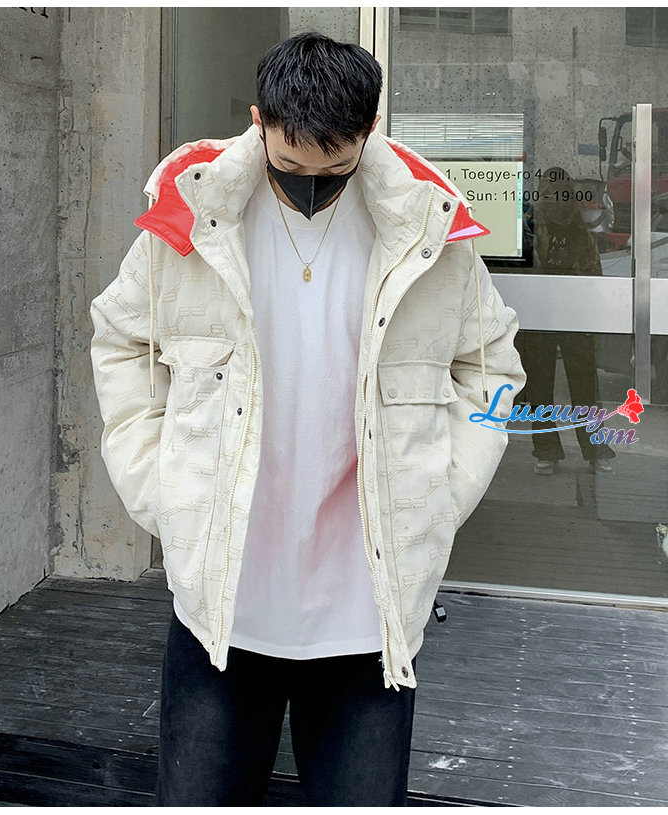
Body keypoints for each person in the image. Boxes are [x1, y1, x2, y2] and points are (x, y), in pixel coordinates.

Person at [90, 32, 525, 806]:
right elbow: (120, 339)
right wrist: (157, 484)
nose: (312, 185)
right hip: (222, 605)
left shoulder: (426, 229)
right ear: (259, 121)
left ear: (369, 129)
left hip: (368, 614)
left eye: (336, 167)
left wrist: (443, 490)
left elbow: (491, 364)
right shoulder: (194, 218)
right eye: (290, 165)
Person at [521, 167, 614, 475]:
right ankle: (556, 450)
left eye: (556, 192)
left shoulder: (573, 224)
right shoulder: (534, 223)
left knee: (577, 384)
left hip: (568, 313)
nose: (552, 198)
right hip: (546, 313)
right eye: (548, 192)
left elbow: (592, 270)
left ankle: (586, 450)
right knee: (546, 386)